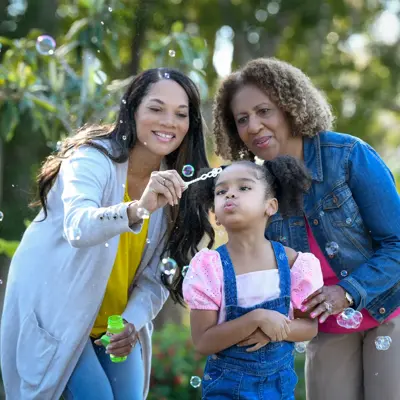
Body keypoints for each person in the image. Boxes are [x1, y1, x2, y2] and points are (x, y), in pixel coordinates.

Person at [0, 68, 214, 400]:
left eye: (180, 114)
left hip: (112, 325)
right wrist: (138, 208)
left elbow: (158, 276)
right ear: (132, 111)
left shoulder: (175, 186)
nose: (169, 122)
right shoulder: (91, 158)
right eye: (156, 109)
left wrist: (132, 321)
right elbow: (78, 225)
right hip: (57, 314)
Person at [211, 57, 400, 400]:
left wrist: (346, 291)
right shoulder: (256, 187)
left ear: (289, 107)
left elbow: (398, 243)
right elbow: (260, 268)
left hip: (389, 308)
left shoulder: (347, 155)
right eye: (242, 119)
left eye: (263, 111)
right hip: (325, 327)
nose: (253, 126)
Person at [181, 158, 324, 399]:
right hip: (226, 391)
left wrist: (273, 330)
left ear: (270, 206)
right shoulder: (209, 268)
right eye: (221, 191)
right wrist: (257, 318)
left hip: (279, 390)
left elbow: (309, 327)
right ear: (215, 215)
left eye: (244, 188)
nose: (230, 195)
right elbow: (203, 341)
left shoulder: (293, 264)